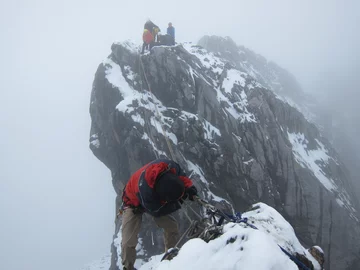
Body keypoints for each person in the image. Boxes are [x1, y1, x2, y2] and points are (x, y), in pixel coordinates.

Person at [120, 158, 198, 270]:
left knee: (172, 227)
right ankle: (128, 267)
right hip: (133, 202)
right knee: (128, 241)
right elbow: (156, 211)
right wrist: (178, 201)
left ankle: (171, 259)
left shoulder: (171, 166)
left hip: (151, 196)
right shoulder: (146, 191)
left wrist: (189, 187)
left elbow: (182, 176)